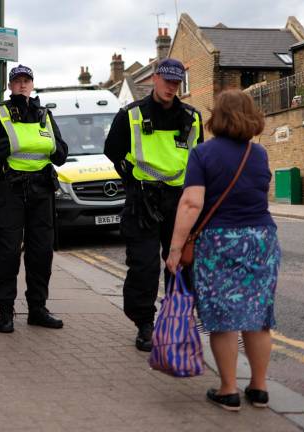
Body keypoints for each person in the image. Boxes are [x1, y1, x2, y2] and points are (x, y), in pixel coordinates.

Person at [166, 89, 280, 411]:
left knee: (224, 317)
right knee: (258, 317)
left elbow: (191, 203)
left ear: (217, 116)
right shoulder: (258, 154)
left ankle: (228, 389)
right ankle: (259, 388)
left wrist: (175, 248)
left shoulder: (203, 153)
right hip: (261, 240)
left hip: (219, 242)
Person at [103, 58, 204, 352]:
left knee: (181, 265)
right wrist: (133, 180)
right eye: (167, 81)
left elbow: (198, 160)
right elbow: (113, 151)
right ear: (155, 79)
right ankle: (145, 324)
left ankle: (175, 323)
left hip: (180, 201)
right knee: (143, 267)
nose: (172, 87)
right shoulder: (131, 115)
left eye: (177, 83)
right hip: (143, 201)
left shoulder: (192, 117)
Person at [0, 64, 69, 333]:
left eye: (26, 80)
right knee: (8, 253)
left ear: (32, 84)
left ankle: (37, 309)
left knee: (41, 253)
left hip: (41, 191)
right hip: (10, 190)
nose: (22, 85)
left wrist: (35, 143)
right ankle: (5, 310)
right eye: (17, 81)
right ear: (10, 86)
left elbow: (61, 153)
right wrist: (26, 142)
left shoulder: (45, 115)